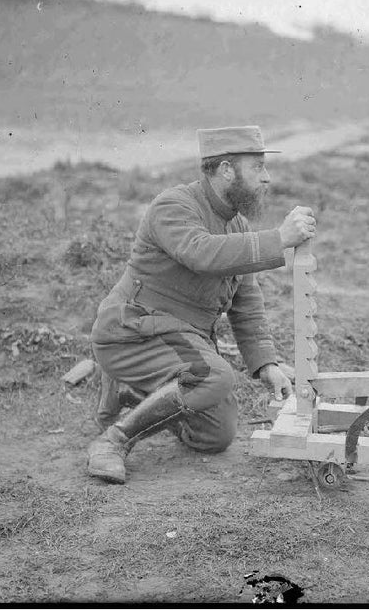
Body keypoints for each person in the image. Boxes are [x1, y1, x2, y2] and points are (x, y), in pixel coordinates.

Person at [86, 125, 316, 484]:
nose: (266, 178)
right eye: (257, 168)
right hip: (133, 332)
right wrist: (279, 239)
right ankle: (113, 441)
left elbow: (246, 302)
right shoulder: (173, 206)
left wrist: (265, 363)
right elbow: (202, 253)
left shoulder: (237, 225)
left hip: (179, 340)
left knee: (214, 436)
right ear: (226, 169)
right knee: (213, 377)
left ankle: (136, 393)